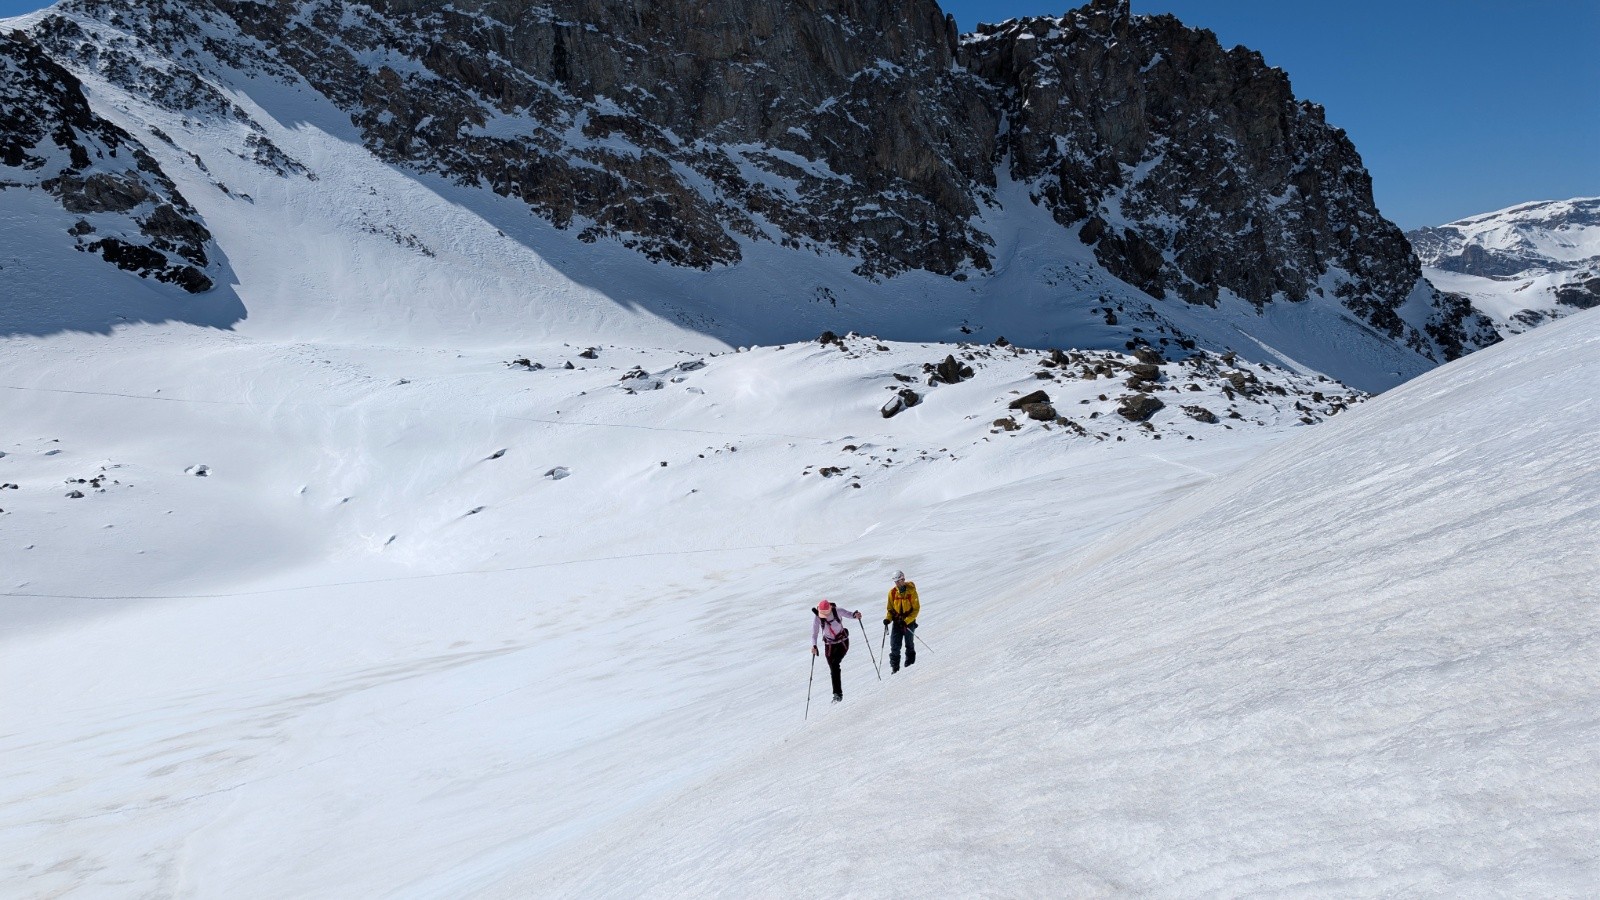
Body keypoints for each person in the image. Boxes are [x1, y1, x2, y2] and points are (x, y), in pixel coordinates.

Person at [812, 599, 862, 702]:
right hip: (829, 645)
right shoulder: (817, 618)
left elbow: (849, 614)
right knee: (833, 668)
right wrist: (814, 646)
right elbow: (814, 634)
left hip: (842, 642)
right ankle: (837, 694)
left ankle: (837, 694)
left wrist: (855, 615)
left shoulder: (837, 611)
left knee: (835, 665)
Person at [884, 570, 919, 673]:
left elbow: (916, 609)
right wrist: (888, 619)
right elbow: (890, 609)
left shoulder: (911, 591)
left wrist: (907, 621)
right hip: (897, 623)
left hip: (909, 622)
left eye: (899, 581)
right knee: (894, 645)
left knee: (909, 643)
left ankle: (910, 664)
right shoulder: (892, 593)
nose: (898, 583)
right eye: (896, 582)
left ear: (903, 579)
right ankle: (895, 668)